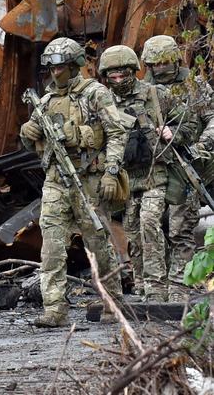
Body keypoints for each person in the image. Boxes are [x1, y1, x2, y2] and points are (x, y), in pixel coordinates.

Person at [20, 37, 125, 327]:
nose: (56, 73)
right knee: (51, 245)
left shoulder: (95, 94)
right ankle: (54, 309)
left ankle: (112, 301)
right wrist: (28, 133)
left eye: (61, 67)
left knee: (98, 244)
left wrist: (111, 171)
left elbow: (116, 133)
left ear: (75, 65)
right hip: (55, 180)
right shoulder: (45, 101)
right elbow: (35, 145)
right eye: (52, 68)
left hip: (88, 179)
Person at [99, 45, 193, 301]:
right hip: (127, 180)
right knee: (132, 231)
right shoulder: (104, 100)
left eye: (123, 75)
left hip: (155, 174)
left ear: (133, 71)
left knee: (150, 223)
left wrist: (174, 133)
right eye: (112, 77)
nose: (118, 81)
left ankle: (156, 287)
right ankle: (140, 283)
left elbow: (190, 121)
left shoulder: (155, 94)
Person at [142, 35, 214, 301]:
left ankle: (180, 287)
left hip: (188, 165)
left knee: (181, 227)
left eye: (163, 63)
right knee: (150, 225)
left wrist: (200, 147)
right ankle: (153, 286)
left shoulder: (194, 86)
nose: (159, 69)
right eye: (153, 64)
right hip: (156, 167)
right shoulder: (142, 89)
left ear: (174, 60)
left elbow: (212, 119)